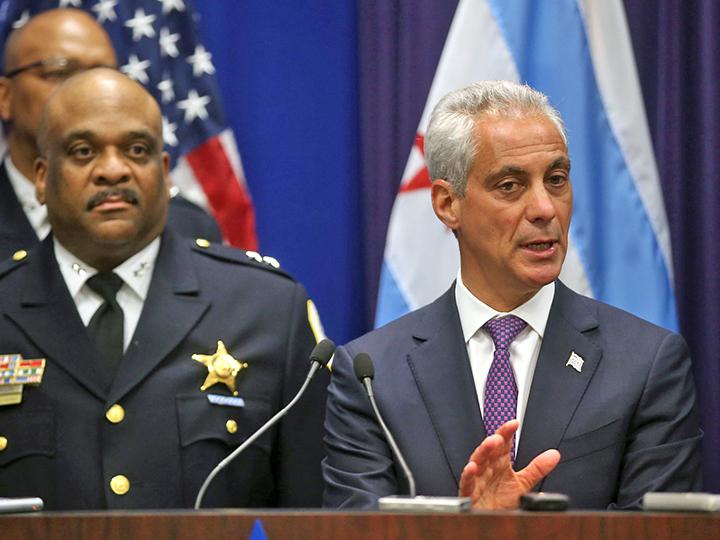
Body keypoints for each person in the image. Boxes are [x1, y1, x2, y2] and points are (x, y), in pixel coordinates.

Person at [323, 80, 702, 510]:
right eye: (510, 186)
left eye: (556, 180)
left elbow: (662, 533)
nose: (545, 208)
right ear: (448, 204)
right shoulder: (372, 377)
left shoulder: (647, 363)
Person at [0, 68, 327, 510]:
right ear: (41, 177)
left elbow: (315, 513)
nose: (113, 170)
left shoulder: (267, 310)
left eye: (137, 150)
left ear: (165, 171)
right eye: (83, 151)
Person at [0, 8, 221, 260]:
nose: (88, 89)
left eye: (101, 73)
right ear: (5, 97)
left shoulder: (186, 224)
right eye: (59, 72)